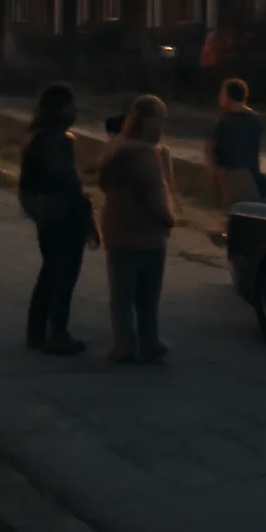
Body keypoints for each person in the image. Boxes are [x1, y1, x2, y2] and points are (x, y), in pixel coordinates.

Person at [98, 95, 177, 363]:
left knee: (122, 294)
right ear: (148, 121)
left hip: (117, 230)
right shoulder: (143, 155)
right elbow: (153, 196)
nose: (163, 126)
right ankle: (146, 340)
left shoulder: (116, 149)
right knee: (147, 295)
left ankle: (125, 341)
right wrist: (168, 219)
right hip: (146, 234)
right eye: (160, 120)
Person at [19, 83, 96, 356]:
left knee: (50, 274)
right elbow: (66, 182)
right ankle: (57, 333)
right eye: (71, 106)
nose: (75, 111)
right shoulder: (55, 141)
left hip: (50, 217)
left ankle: (37, 332)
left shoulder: (38, 138)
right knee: (63, 276)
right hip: (62, 217)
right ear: (59, 109)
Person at [207, 78, 266, 214]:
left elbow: (212, 149)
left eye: (222, 94)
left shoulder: (224, 122)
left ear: (228, 97)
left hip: (231, 177)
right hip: (251, 176)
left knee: (234, 216)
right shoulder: (256, 120)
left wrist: (216, 172)